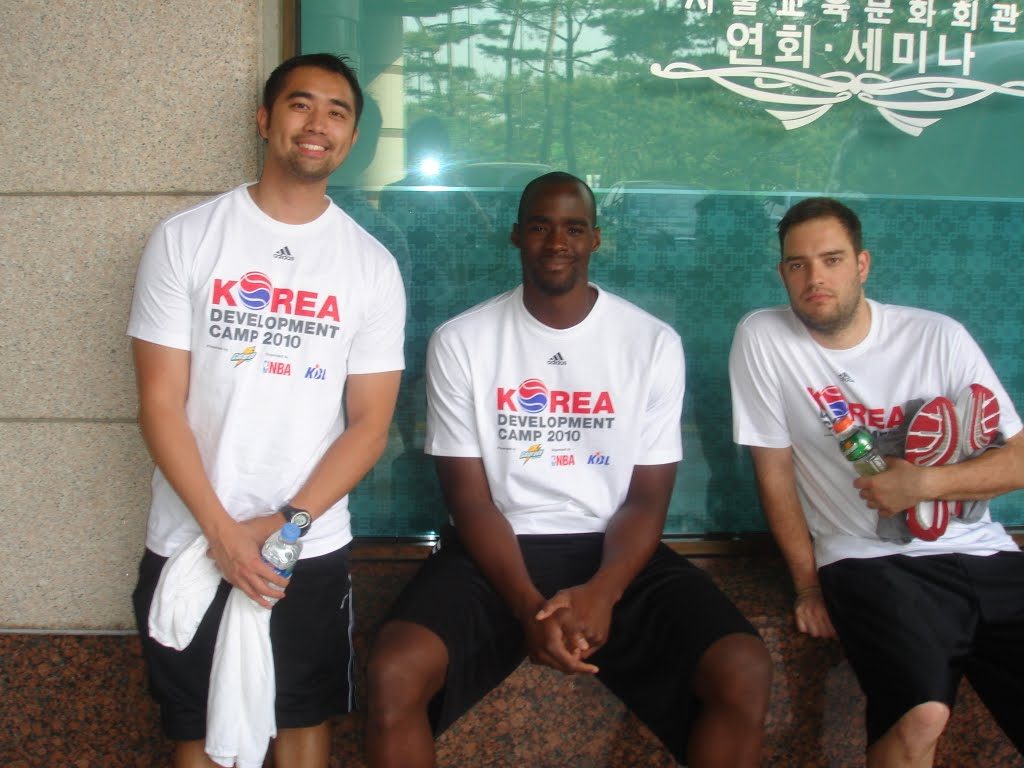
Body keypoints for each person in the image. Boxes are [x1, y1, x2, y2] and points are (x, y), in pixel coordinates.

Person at [365, 172, 772, 768]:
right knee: (392, 672)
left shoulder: (651, 342)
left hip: (612, 549)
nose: (557, 242)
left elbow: (647, 498)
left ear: (595, 240)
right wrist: (528, 606)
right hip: (498, 550)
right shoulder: (462, 340)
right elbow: (470, 501)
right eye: (540, 227)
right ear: (515, 236)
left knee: (744, 668)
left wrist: (605, 591)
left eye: (573, 229)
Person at [127, 53, 405, 768]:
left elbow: (370, 423)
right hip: (191, 536)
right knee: (196, 730)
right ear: (264, 119)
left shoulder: (370, 264)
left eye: (337, 112)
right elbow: (159, 403)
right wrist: (222, 533)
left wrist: (289, 523)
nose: (318, 124)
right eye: (300, 104)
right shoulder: (186, 238)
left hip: (307, 543)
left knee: (303, 720)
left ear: (351, 139)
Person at [729, 196, 1024, 766]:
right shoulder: (764, 337)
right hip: (869, 560)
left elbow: (1019, 460)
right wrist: (808, 588)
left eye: (832, 259)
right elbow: (775, 472)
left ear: (862, 264)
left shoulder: (938, 336)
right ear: (782, 273)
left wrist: (925, 485)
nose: (815, 278)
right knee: (923, 714)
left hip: (984, 551)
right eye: (798, 264)